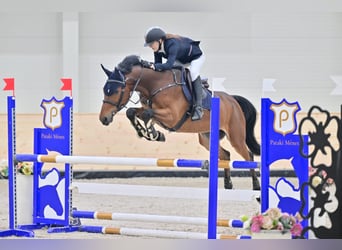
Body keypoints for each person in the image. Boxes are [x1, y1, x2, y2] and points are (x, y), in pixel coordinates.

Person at [144, 26, 205, 121]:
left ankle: (198, 107)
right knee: (172, 73)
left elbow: (168, 65)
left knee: (193, 73)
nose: (150, 46)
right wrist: (150, 66)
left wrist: (155, 66)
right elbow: (158, 66)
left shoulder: (172, 44)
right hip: (180, 59)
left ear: (160, 40)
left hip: (195, 57)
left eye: (151, 43)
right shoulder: (157, 49)